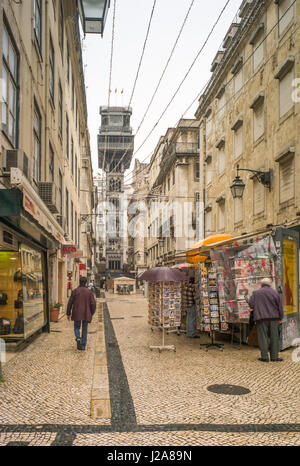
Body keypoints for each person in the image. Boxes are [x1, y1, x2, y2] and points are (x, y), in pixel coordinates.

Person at [249, 277, 284, 362]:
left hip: (261, 318)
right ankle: (274, 357)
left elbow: (251, 305)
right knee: (274, 337)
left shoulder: (256, 293)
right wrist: (280, 317)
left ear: (261, 284)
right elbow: (280, 307)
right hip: (274, 318)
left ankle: (264, 357)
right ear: (270, 284)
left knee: (263, 337)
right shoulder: (275, 293)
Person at [67, 276, 96, 351]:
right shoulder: (89, 292)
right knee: (84, 329)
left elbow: (70, 302)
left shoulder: (75, 291)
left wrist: (68, 313)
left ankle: (78, 338)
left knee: (76, 327)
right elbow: (93, 304)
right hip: (86, 313)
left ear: (79, 282)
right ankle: (83, 346)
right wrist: (91, 313)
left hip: (77, 313)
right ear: (86, 282)